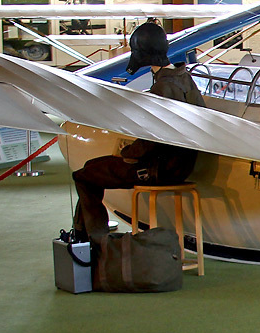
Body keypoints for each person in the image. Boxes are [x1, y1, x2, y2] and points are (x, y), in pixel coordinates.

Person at [71, 21, 206, 241]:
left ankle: (94, 240)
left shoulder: (163, 87)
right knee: (90, 168)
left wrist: (127, 152)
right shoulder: (183, 78)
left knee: (84, 176)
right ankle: (85, 234)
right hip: (182, 164)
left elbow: (154, 139)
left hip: (160, 169)